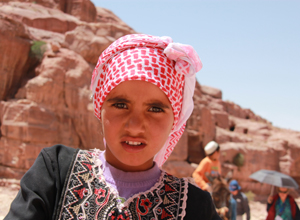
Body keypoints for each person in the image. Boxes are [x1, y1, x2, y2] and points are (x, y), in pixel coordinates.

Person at [5, 34, 221, 219]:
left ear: (176, 119)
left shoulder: (194, 206)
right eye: (120, 105)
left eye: (155, 109)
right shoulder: (55, 171)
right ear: (100, 108)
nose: (135, 126)